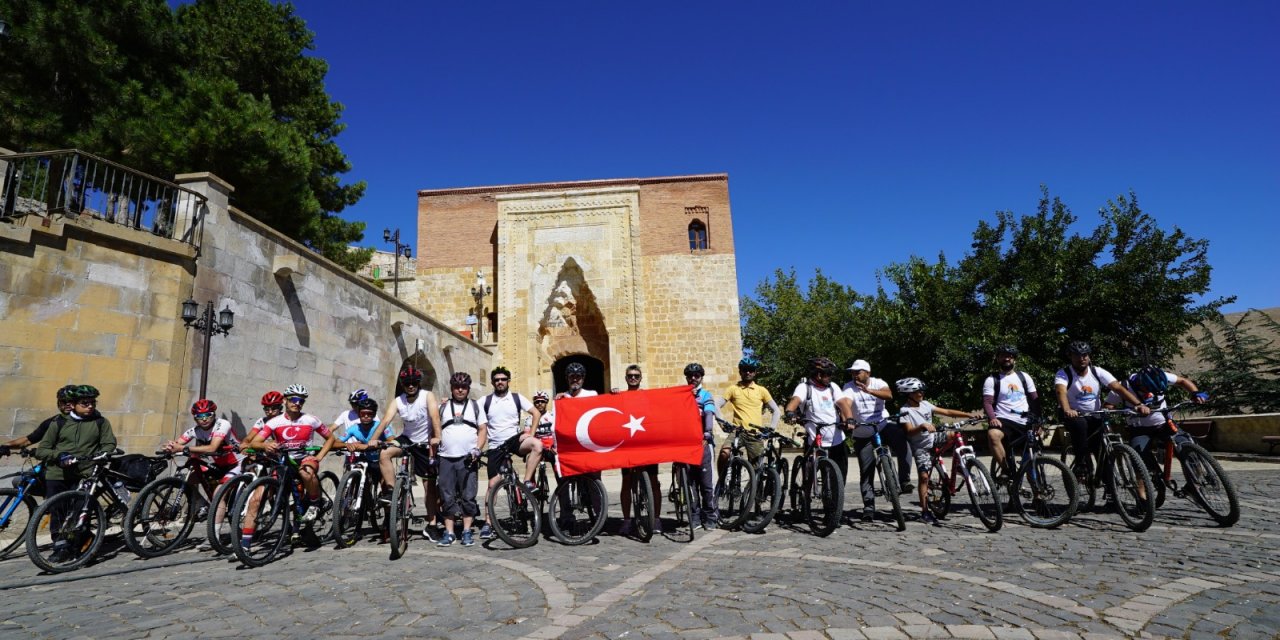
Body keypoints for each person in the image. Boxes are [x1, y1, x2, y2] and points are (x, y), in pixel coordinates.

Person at [33, 385, 118, 561]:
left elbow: (109, 443)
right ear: (74, 405)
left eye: (93, 403)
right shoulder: (59, 423)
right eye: (85, 403)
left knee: (81, 511)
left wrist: (102, 454)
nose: (90, 406)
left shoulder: (100, 422)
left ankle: (79, 546)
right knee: (58, 513)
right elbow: (42, 450)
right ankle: (59, 548)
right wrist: (60, 455)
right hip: (58, 474)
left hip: (85, 473)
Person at [1053, 341, 1148, 479]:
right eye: (1077, 355)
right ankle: (1081, 464)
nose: (1082, 358)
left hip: (1095, 414)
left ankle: (1111, 495)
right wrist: (1067, 409)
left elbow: (1118, 388)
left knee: (1102, 452)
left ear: (1089, 356)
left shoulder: (1097, 371)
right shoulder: (1064, 373)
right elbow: (1060, 391)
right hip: (1073, 414)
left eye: (1085, 355)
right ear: (1070, 357)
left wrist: (1138, 404)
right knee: (1080, 425)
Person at [244, 384, 336, 525]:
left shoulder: (311, 419)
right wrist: (265, 445)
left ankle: (315, 504)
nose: (297, 403)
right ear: (285, 400)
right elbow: (254, 442)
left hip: (305, 458)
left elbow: (330, 438)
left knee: (306, 472)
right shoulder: (275, 422)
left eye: (301, 400)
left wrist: (319, 456)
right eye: (293, 399)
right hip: (285, 460)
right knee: (274, 486)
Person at [895, 378, 982, 525]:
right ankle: (925, 511)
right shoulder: (905, 411)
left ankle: (960, 464)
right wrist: (922, 426)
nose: (921, 393)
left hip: (933, 437)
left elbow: (947, 411)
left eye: (922, 390)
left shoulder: (926, 404)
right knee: (923, 477)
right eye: (917, 391)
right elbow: (909, 431)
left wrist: (968, 415)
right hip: (920, 446)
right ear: (908, 394)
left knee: (957, 435)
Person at [162, 399, 244, 548]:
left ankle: (215, 537)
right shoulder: (195, 430)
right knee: (189, 480)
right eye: (200, 417)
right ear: (195, 418)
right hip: (219, 464)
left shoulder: (222, 424)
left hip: (236, 463)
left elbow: (213, 447)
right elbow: (178, 443)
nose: (204, 419)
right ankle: (204, 505)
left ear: (214, 415)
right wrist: (170, 446)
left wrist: (184, 449)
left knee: (219, 495)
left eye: (208, 415)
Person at [379, 367, 444, 539]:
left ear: (418, 383)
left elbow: (435, 417)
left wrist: (437, 437)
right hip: (407, 439)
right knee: (384, 454)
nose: (410, 386)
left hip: (424, 442)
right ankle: (392, 493)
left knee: (429, 486)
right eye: (407, 383)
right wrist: (374, 439)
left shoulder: (427, 396)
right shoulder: (398, 400)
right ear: (403, 385)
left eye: (414, 383)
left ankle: (432, 524)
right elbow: (386, 420)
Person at [480, 366, 543, 540]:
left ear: (508, 381)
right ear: (493, 382)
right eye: (497, 380)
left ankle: (527, 482)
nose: (500, 382)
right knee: (493, 485)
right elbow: (472, 414)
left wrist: (530, 433)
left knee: (537, 445)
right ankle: (488, 523)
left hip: (515, 440)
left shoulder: (516, 398)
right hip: (496, 446)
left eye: (503, 379)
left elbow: (535, 413)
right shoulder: (485, 400)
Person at [1108, 365, 1209, 471]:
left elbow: (1182, 381)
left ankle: (1195, 486)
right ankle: (1145, 486)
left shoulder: (1159, 376)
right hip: (1139, 429)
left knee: (1187, 450)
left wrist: (1196, 393)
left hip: (1164, 423)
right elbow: (1108, 406)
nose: (1151, 393)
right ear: (1140, 383)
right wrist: (1127, 411)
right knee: (1140, 461)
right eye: (1148, 390)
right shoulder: (1122, 387)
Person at [836, 359, 895, 522]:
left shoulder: (878, 382)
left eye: (858, 372)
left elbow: (888, 395)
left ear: (867, 373)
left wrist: (868, 391)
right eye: (852, 372)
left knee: (902, 438)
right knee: (866, 471)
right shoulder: (848, 387)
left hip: (882, 426)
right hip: (862, 433)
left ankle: (900, 483)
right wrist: (847, 418)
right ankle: (869, 507)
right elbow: (846, 403)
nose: (854, 375)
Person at [433, 372, 488, 547]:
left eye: (463, 387)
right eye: (457, 387)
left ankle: (466, 531)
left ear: (468, 389)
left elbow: (482, 429)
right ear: (451, 388)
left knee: (468, 495)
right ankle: (449, 533)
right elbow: (434, 431)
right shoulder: (442, 407)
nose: (460, 390)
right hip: (446, 457)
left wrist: (478, 448)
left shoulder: (475, 406)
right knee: (446, 495)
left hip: (468, 458)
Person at [785, 357, 851, 496]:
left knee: (839, 479)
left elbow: (843, 404)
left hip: (837, 440)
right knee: (809, 476)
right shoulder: (805, 388)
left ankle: (833, 510)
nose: (830, 377)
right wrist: (790, 412)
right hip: (815, 441)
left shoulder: (833, 387)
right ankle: (805, 500)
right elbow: (795, 401)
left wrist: (850, 419)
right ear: (818, 374)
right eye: (828, 374)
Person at [717, 356, 779, 477]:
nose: (748, 372)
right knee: (724, 453)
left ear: (755, 372)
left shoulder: (761, 390)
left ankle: (753, 494)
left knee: (757, 471)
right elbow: (716, 405)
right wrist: (722, 423)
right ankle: (722, 480)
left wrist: (771, 428)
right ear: (740, 372)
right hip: (737, 432)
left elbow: (776, 410)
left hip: (755, 434)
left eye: (751, 370)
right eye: (745, 370)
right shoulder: (733, 389)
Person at [983, 345, 1041, 474]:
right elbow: (987, 402)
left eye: (1010, 356)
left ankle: (1037, 490)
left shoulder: (1024, 377)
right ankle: (1007, 471)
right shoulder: (992, 379)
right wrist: (992, 418)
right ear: (998, 359)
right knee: (993, 434)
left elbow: (1035, 400)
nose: (1006, 358)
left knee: (1031, 460)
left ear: (1014, 359)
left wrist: (1039, 420)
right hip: (1004, 420)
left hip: (1025, 420)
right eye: (1003, 355)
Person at [618, 365, 661, 536]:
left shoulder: (648, 396)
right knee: (626, 483)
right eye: (630, 376)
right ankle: (627, 520)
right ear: (626, 378)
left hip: (646, 443)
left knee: (653, 481)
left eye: (636, 375)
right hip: (628, 444)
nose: (633, 378)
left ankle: (656, 519)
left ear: (641, 378)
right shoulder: (620, 396)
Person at [685, 363, 720, 529]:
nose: (693, 378)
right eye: (690, 375)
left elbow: (708, 413)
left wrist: (707, 432)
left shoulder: (706, 394)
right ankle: (695, 516)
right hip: (686, 444)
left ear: (701, 377)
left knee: (706, 483)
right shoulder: (681, 395)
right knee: (690, 483)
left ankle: (710, 515)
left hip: (703, 442)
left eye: (696, 375)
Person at [2, 385, 76, 454]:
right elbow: (28, 440)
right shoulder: (53, 422)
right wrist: (6, 446)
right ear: (58, 403)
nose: (68, 404)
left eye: (72, 401)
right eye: (64, 401)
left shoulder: (86, 421)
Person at [339, 398, 392, 479]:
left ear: (374, 415)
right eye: (363, 413)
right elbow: (335, 443)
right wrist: (347, 445)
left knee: (386, 487)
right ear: (359, 414)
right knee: (362, 482)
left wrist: (380, 442)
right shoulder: (354, 428)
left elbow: (392, 441)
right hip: (365, 460)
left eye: (369, 414)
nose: (366, 416)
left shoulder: (382, 426)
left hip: (381, 460)